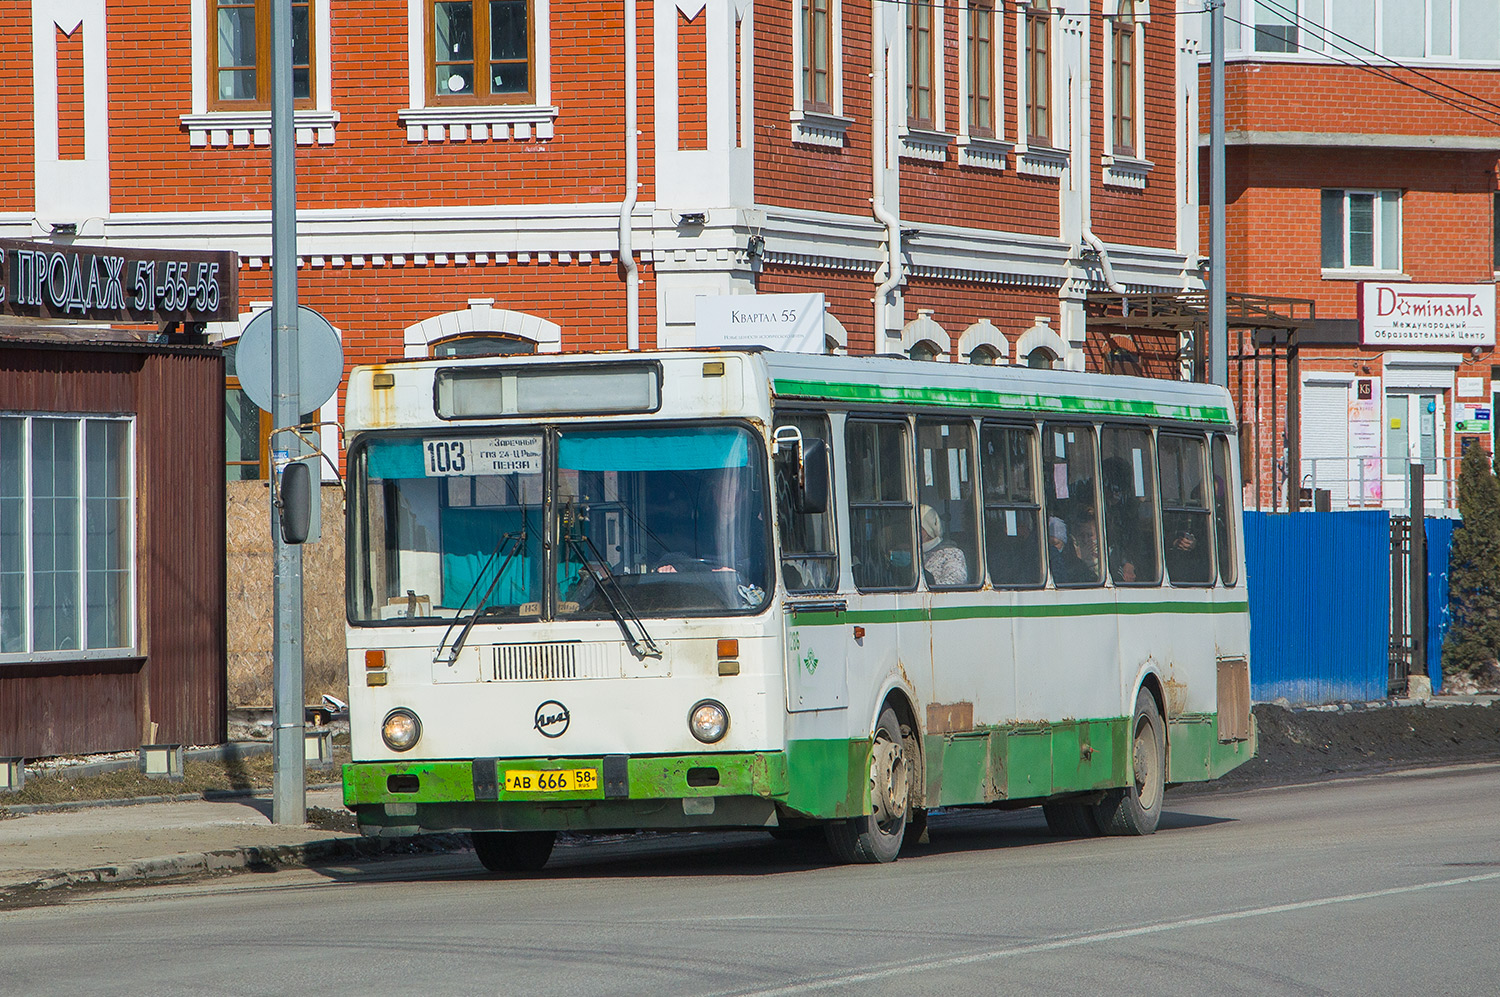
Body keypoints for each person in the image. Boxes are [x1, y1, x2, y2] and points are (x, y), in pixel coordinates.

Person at [919, 504, 967, 587]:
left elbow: (956, 584)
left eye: (919, 528)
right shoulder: (914, 556)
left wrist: (927, 582)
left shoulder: (952, 554)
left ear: (928, 531)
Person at [1048, 515, 1088, 584]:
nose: (1052, 549)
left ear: (1064, 544)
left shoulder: (1078, 567)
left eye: (1055, 543)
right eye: (1049, 544)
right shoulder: (1038, 564)